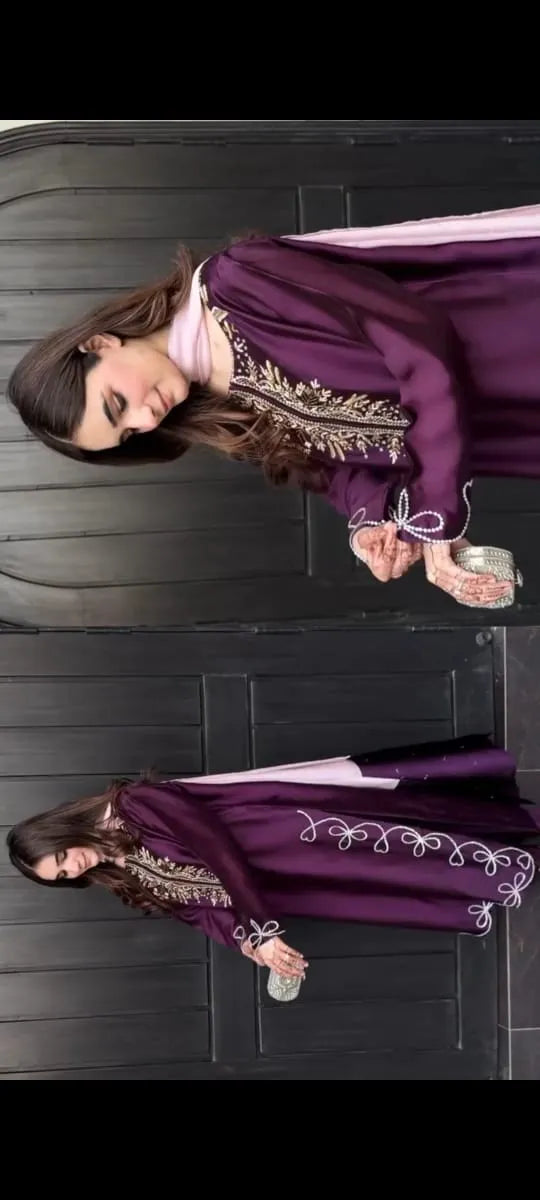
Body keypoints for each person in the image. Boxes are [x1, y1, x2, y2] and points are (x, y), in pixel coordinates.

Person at [12, 204, 540, 607]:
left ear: (101, 343)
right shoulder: (219, 414)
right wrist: (371, 526)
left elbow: (415, 338)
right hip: (506, 429)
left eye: (116, 403)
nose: (146, 419)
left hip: (510, 338)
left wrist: (433, 514)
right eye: (129, 433)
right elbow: (331, 471)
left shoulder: (240, 282)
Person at [7, 737, 540, 974]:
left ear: (56, 832)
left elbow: (212, 844)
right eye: (62, 876)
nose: (72, 868)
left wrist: (259, 925)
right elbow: (198, 910)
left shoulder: (134, 805)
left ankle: (509, 849)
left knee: (393, 852)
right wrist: (249, 943)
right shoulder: (123, 878)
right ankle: (495, 875)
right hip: (282, 886)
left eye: (61, 858)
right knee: (384, 886)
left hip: (290, 840)